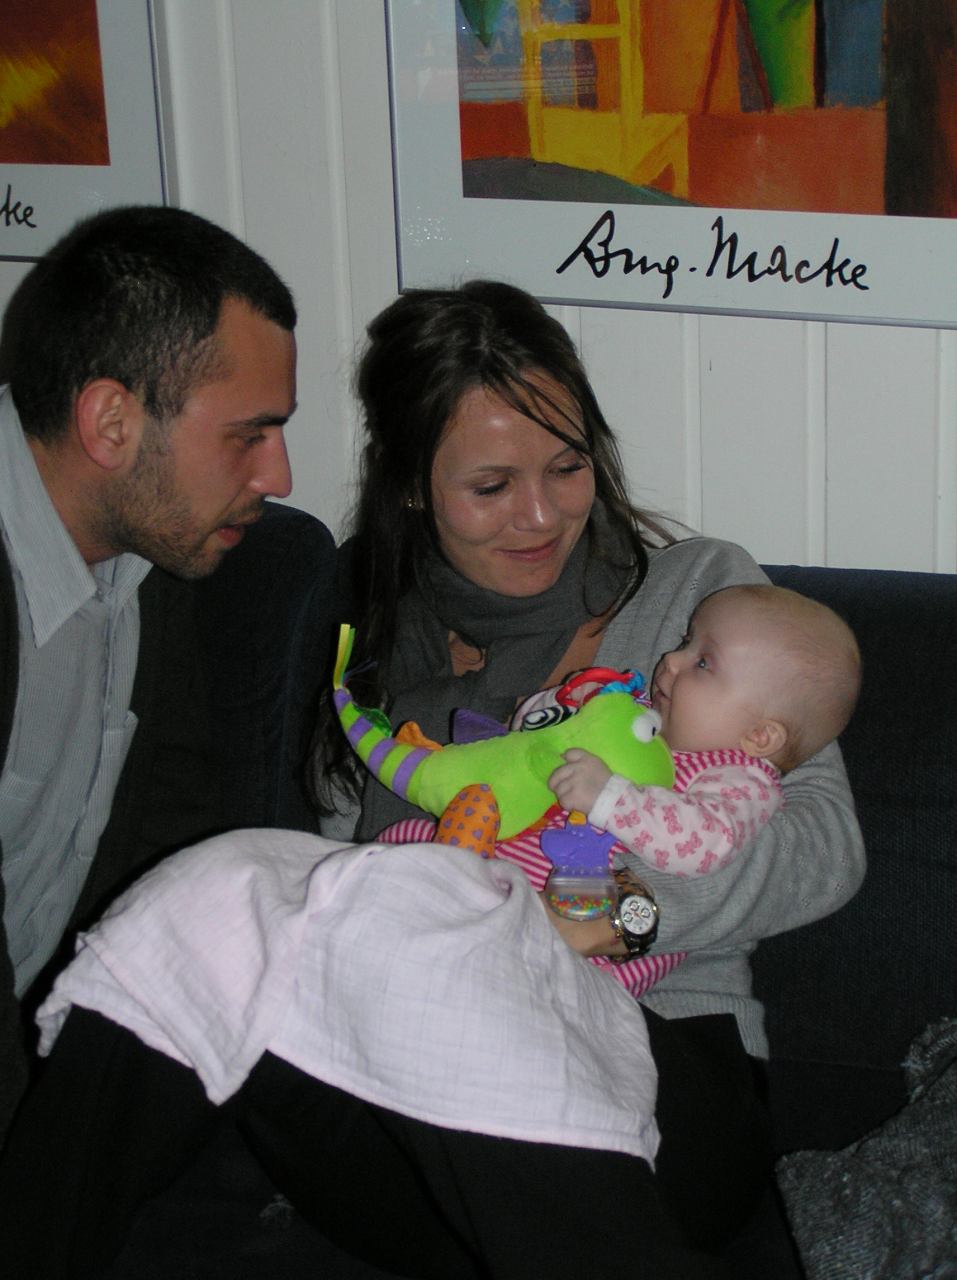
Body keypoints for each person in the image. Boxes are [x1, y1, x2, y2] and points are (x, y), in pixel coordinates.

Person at [0, 280, 862, 1279]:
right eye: (491, 486)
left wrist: (608, 909)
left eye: (568, 466)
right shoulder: (362, 645)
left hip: (656, 1089)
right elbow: (342, 907)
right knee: (219, 896)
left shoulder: (698, 606)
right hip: (404, 1114)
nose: (541, 513)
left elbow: (825, 846)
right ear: (412, 484)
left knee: (423, 934)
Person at [0, 203, 299, 1144]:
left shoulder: (152, 564)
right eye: (248, 435)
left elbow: (166, 846)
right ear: (111, 421)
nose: (280, 476)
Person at [369, 581, 862, 998]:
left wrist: (610, 798)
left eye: (703, 663)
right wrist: (566, 710)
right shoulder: (644, 715)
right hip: (500, 867)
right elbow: (535, 743)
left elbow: (705, 842)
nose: (671, 660)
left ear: (760, 736)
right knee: (398, 848)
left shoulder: (740, 780)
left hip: (576, 946)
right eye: (685, 641)